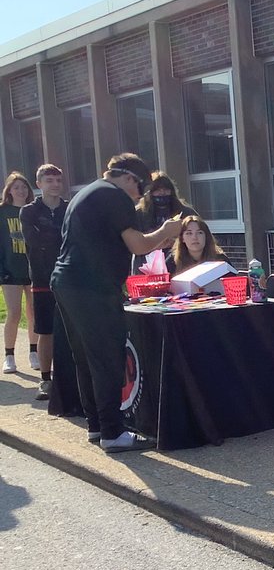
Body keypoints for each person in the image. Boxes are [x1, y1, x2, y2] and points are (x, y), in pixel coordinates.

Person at [51, 153, 183, 453]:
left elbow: (116, 242)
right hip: (92, 287)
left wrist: (156, 239)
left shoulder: (88, 192)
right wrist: (166, 232)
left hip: (68, 282)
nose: (142, 196)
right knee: (108, 357)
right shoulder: (115, 196)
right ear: (128, 178)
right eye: (141, 188)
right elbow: (137, 245)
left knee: (85, 357)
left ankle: (97, 425)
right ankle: (113, 433)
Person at [19, 164, 67, 400]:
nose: (55, 185)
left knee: (71, 328)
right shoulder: (29, 211)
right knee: (45, 330)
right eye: (49, 180)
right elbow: (34, 240)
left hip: (69, 278)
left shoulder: (69, 209)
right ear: (39, 184)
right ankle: (46, 379)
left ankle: (69, 376)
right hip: (41, 278)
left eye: (58, 180)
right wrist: (57, 240)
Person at [1, 173, 37, 375]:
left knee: (34, 312)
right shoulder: (3, 212)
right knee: (14, 313)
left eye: (24, 187)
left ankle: (34, 352)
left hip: (33, 270)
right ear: (9, 190)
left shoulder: (33, 211)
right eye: (16, 187)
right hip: (10, 271)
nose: (21, 191)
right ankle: (9, 356)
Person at [132, 172, 197, 274]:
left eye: (166, 189)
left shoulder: (185, 212)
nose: (162, 193)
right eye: (157, 190)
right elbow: (131, 242)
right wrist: (155, 241)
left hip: (178, 264)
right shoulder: (138, 214)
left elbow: (200, 233)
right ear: (149, 193)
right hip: (145, 266)